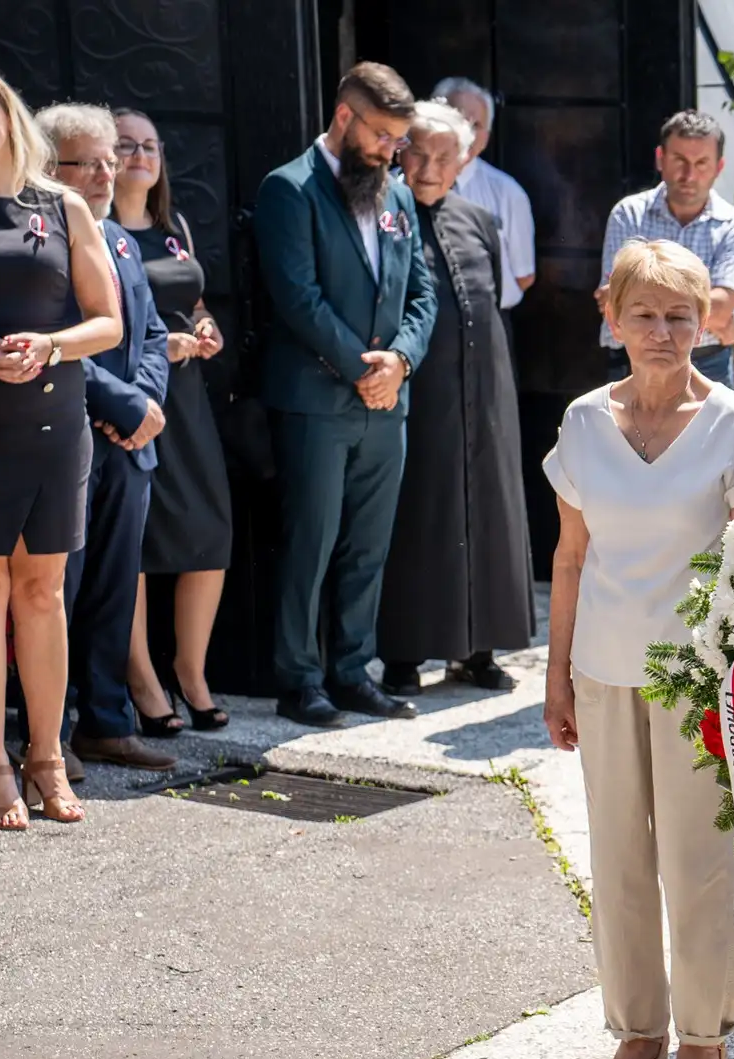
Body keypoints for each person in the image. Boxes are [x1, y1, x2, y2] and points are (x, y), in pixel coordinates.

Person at [544, 239, 734, 1059]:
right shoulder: (583, 421)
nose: (661, 330)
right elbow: (570, 558)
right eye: (643, 313)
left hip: (699, 679)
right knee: (616, 860)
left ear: (706, 321)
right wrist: (557, 677)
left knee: (696, 865)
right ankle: (637, 1031)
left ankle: (703, 1041)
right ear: (612, 318)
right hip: (604, 670)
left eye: (679, 315)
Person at [256, 61, 437, 727]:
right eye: (382, 135)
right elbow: (297, 297)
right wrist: (364, 367)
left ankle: (353, 671)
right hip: (317, 399)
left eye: (398, 139)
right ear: (343, 117)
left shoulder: (397, 197)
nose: (392, 151)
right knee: (310, 541)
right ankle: (299, 679)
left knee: (368, 545)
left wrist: (401, 361)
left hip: (388, 403)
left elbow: (423, 293)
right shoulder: (289, 188)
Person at [0, 71, 122, 828]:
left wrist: (48, 344)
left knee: (42, 589)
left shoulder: (61, 206)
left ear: (9, 119)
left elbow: (107, 322)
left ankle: (45, 755)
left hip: (50, 422)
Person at [376, 100, 535, 696]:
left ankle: (477, 651)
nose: (429, 168)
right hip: (419, 388)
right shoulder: (384, 215)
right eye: (419, 153)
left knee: (486, 512)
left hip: (485, 387)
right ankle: (403, 653)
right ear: (401, 153)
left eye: (445, 157)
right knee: (420, 512)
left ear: (464, 161)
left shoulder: (478, 219)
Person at [42, 104, 174, 774]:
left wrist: (144, 402)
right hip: (69, 438)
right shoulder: (39, 242)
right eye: (87, 162)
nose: (105, 174)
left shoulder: (119, 239)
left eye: (108, 160)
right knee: (57, 593)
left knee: (115, 588)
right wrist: (121, 403)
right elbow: (53, 339)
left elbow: (150, 331)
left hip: (128, 447)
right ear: (49, 167)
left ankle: (107, 723)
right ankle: (50, 733)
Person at [111, 108, 232, 737]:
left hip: (187, 402)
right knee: (134, 539)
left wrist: (204, 324)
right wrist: (167, 346)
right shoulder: (97, 229)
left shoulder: (174, 226)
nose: (139, 155)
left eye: (149, 146)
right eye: (125, 145)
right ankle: (142, 681)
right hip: (135, 397)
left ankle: (191, 671)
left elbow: (193, 299)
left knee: (210, 532)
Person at [598, 111, 734, 386]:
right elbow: (615, 299)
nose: (689, 175)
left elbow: (722, 307)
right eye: (679, 160)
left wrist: (644, 301)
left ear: (719, 167)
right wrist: (706, 311)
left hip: (708, 364)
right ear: (660, 158)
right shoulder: (628, 214)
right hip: (633, 362)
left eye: (701, 163)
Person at [432, 77, 536, 309]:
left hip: (489, 318)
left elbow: (524, 276)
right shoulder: (400, 184)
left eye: (476, 125)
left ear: (487, 136)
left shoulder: (507, 192)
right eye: (458, 120)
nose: (466, 133)